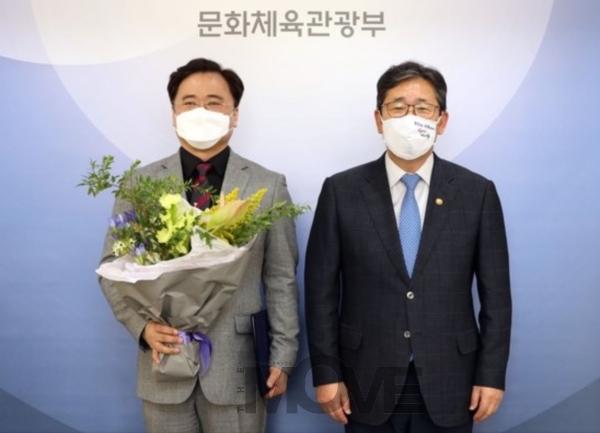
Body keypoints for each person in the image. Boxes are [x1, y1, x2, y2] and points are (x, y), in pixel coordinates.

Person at [305, 60, 511, 433]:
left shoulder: (476, 193)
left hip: (453, 378)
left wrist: (492, 375)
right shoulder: (341, 191)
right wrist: (326, 372)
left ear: (441, 121)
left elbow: (497, 298)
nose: (410, 117)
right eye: (398, 107)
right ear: (379, 118)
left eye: (423, 108)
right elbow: (320, 293)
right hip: (365, 376)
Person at [99, 58, 300, 433]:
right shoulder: (139, 185)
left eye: (214, 102)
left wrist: (283, 354)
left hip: (238, 367)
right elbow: (112, 268)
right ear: (173, 114)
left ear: (234, 115)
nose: (201, 112)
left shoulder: (267, 185)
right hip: (163, 362)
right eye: (189, 103)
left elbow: (280, 277)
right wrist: (143, 328)